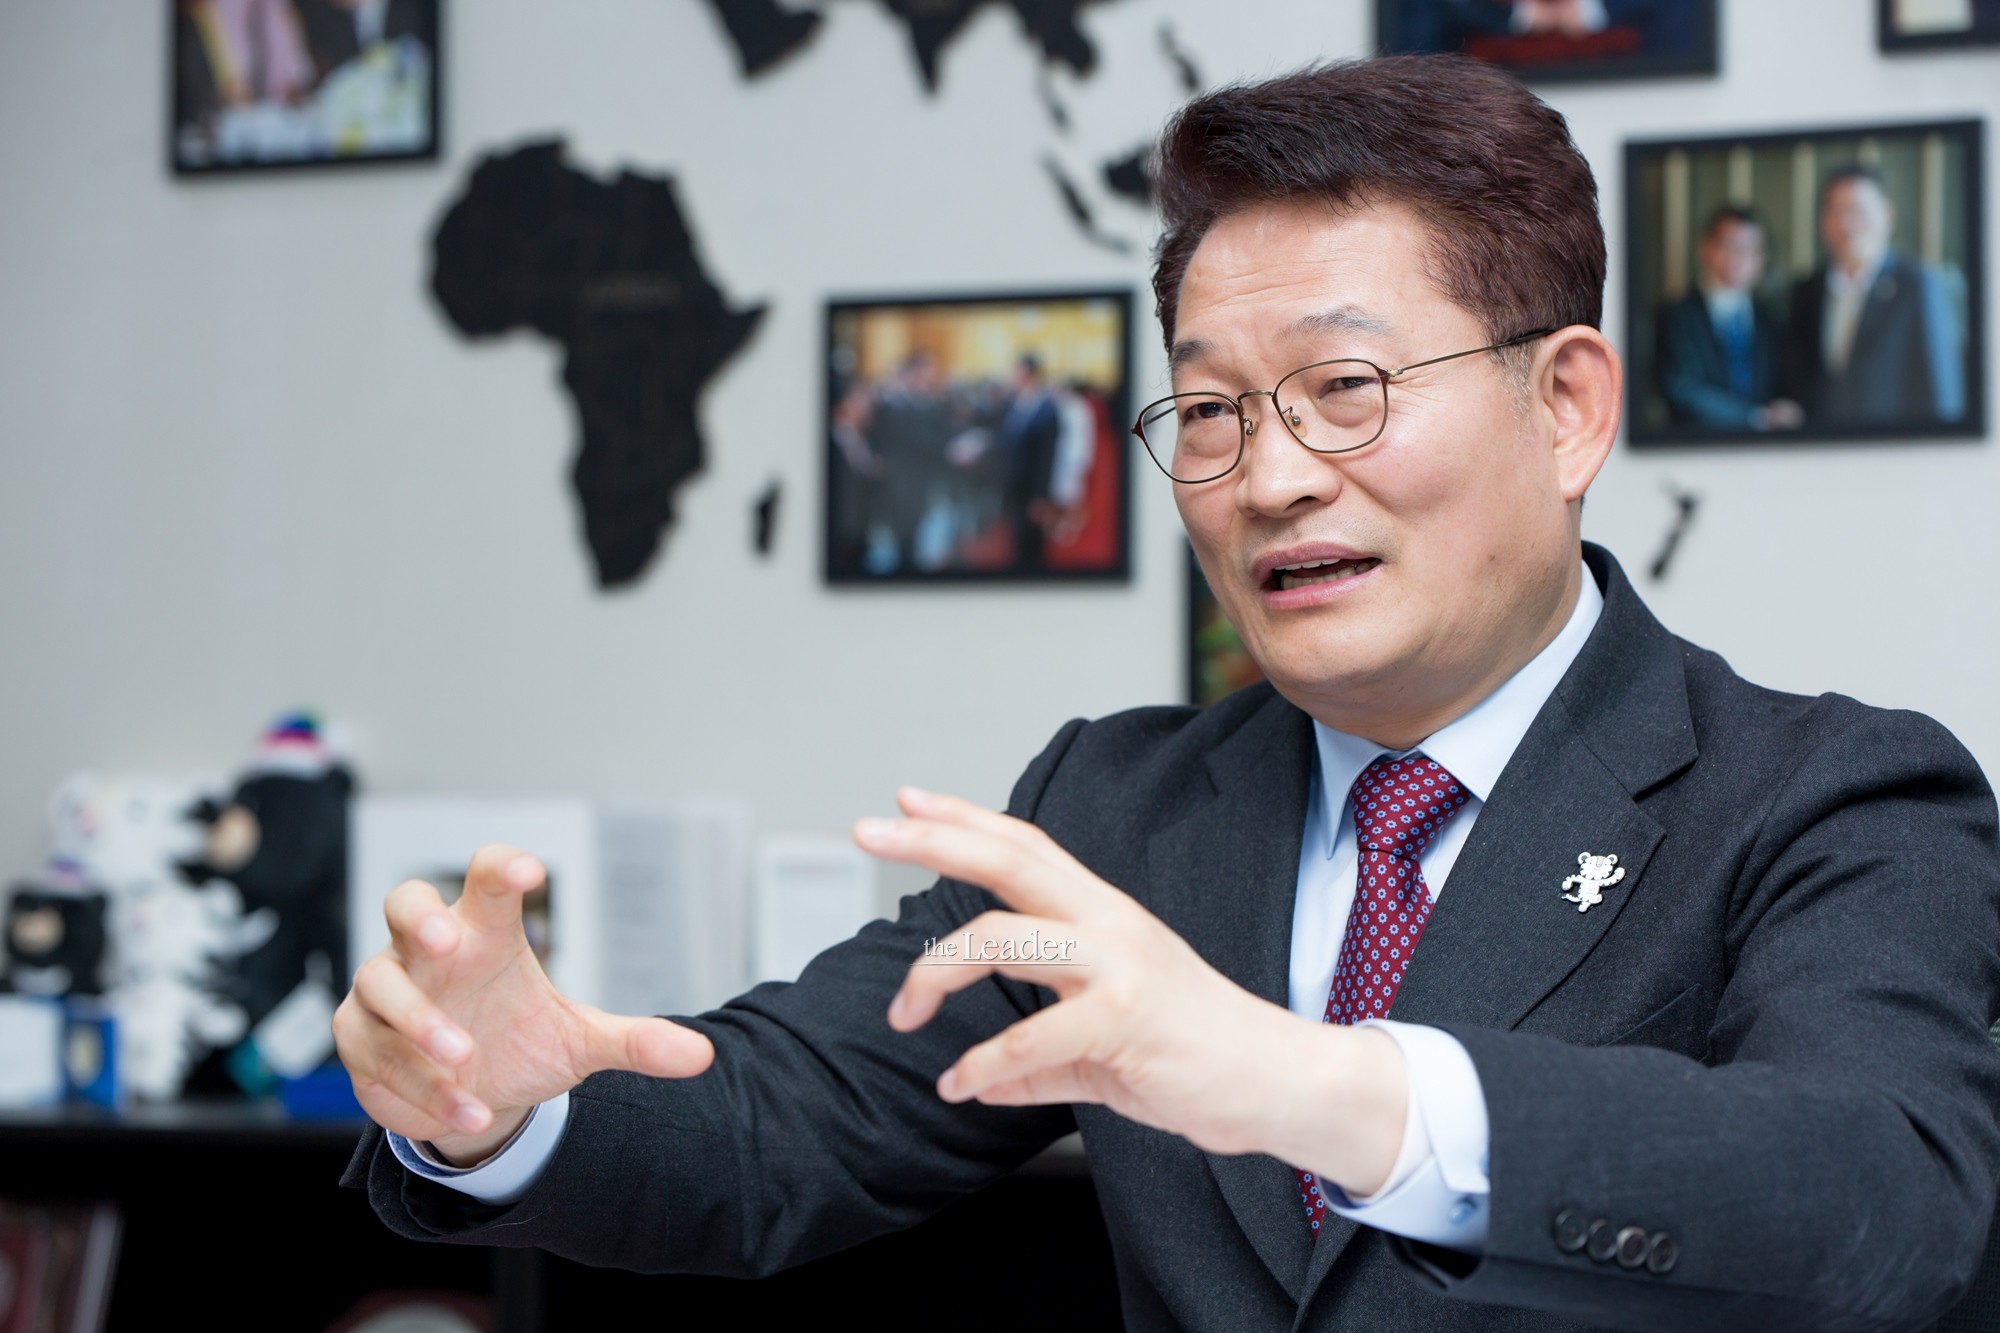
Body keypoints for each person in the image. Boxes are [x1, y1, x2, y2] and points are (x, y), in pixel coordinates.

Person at [336, 56, 2000, 1331]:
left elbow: (1892, 1199)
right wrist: (499, 1111)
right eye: (1209, 413)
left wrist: (1301, 1080)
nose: (1268, 478)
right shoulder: (1116, 813)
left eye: (1345, 387)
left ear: (1566, 406)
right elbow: (790, 1122)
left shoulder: (1831, 797)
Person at [1781, 166, 1966, 427]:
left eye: (1857, 210)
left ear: (1886, 215)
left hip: (1895, 444)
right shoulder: (1806, 290)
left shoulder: (1917, 285)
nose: (1846, 223)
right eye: (1836, 211)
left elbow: (1941, 390)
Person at [1653, 208, 1803, 432]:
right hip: (1695, 443)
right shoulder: (1676, 316)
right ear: (1706, 248)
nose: (1740, 258)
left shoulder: (1772, 319)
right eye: (1731, 246)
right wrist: (1755, 418)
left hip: (1766, 448)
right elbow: (1679, 388)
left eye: (1751, 250)